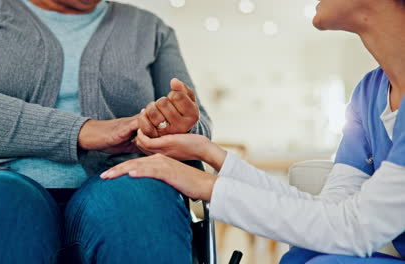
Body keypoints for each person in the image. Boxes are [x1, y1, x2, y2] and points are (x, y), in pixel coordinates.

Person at [102, 0, 405, 263]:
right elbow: (331, 214)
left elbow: (354, 230)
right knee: (307, 253)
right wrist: (208, 153)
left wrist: (206, 185)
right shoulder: (368, 94)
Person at [0, 0, 211, 263]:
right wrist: (82, 132)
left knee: (137, 203)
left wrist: (177, 127)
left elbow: (199, 126)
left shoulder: (151, 29)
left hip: (125, 182)